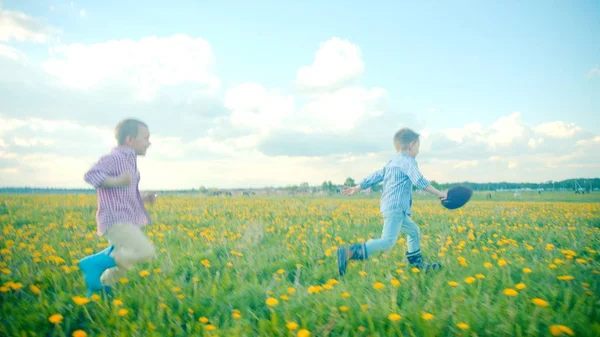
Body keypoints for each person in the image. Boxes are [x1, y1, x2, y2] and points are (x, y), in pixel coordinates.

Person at [337, 128, 446, 276]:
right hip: (395, 208)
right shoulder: (408, 162)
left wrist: (358, 187)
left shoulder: (393, 162)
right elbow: (419, 181)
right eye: (418, 147)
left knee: (414, 232)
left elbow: (376, 176)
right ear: (412, 145)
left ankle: (418, 265)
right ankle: (349, 252)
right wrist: (440, 194)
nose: (418, 151)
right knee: (388, 241)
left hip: (393, 208)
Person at [79, 118, 156, 297]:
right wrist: (116, 181)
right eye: (145, 138)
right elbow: (90, 175)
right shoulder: (115, 158)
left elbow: (124, 192)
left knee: (123, 264)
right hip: (115, 218)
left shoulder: (131, 162)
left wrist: (143, 198)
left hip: (125, 216)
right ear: (129, 139)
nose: (149, 143)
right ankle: (94, 263)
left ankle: (100, 291)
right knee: (144, 251)